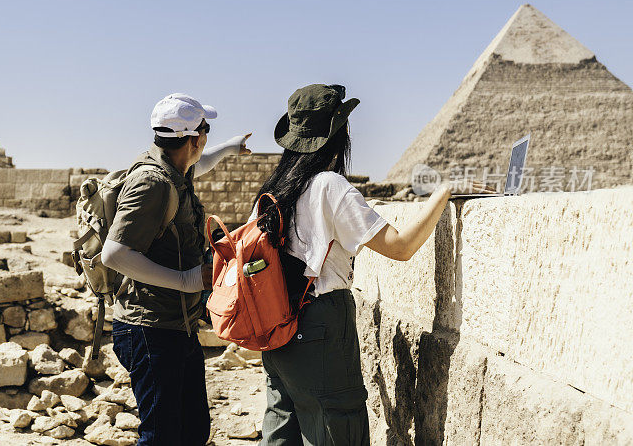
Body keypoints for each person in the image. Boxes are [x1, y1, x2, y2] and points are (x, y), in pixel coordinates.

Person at [253, 84, 487, 445]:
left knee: (282, 423)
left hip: (274, 323)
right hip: (321, 321)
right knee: (338, 425)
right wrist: (444, 193)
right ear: (339, 134)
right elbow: (401, 247)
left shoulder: (272, 190)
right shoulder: (330, 186)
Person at [101, 93, 251, 446]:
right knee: (161, 438)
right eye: (206, 131)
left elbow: (201, 163)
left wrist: (230, 148)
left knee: (193, 431)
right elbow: (114, 253)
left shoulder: (175, 169)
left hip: (177, 324)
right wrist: (185, 280)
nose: (206, 139)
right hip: (149, 329)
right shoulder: (152, 183)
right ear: (193, 139)